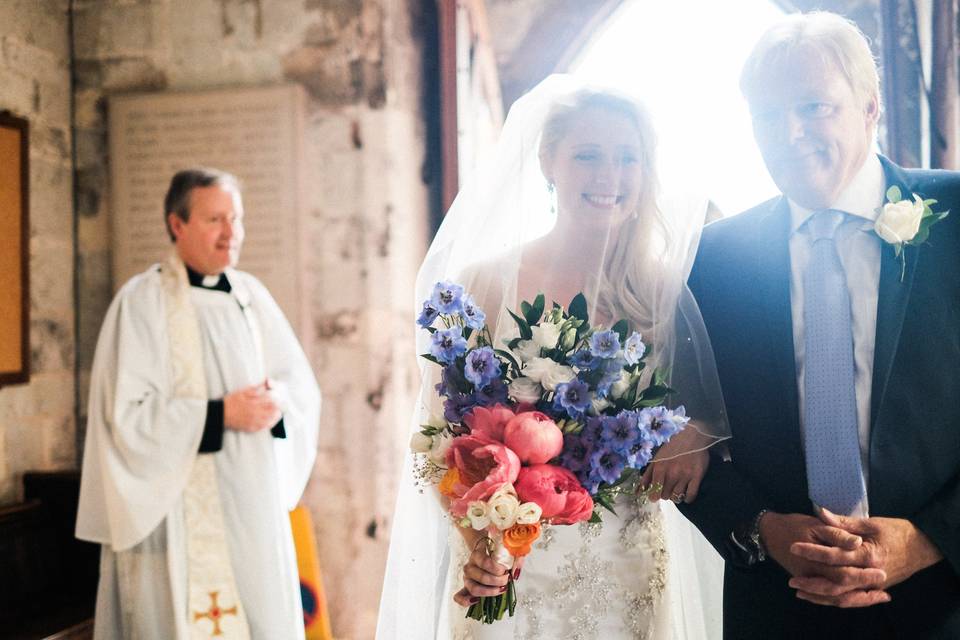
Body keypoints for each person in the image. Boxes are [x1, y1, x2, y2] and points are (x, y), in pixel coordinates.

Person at [378, 77, 729, 639]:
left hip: (627, 570)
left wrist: (697, 432)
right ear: (548, 160)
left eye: (627, 159)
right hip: (513, 565)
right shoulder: (486, 284)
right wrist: (480, 548)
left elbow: (714, 408)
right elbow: (445, 445)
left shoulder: (664, 295)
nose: (608, 177)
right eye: (587, 155)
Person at [679, 11, 960, 639]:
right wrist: (761, 529)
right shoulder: (713, 261)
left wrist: (929, 540)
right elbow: (686, 439)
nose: (791, 132)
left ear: (869, 108)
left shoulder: (956, 216)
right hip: (775, 610)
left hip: (943, 606)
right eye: (768, 116)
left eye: (814, 106)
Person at [76, 168, 321, 639]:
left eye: (237, 219)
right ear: (177, 225)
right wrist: (219, 414)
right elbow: (126, 418)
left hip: (252, 507)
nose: (231, 233)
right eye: (215, 219)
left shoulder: (251, 297)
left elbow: (299, 387)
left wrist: (278, 402)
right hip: (176, 516)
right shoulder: (142, 302)